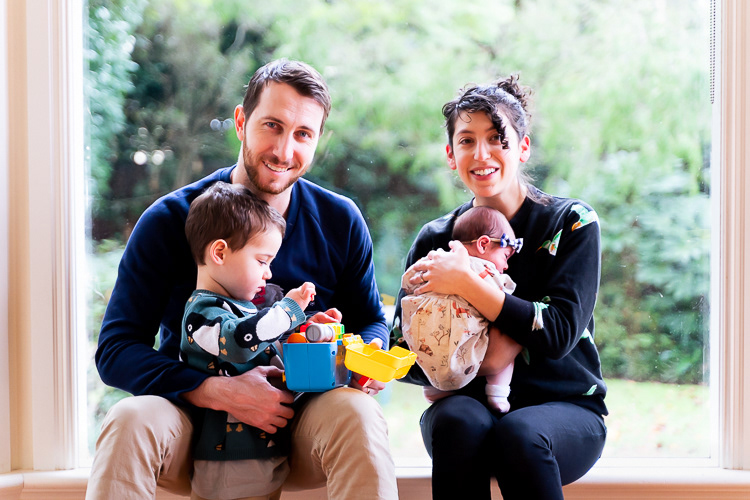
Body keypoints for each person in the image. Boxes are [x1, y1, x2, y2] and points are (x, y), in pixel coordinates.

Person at [87, 59, 398, 500]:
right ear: (240, 121)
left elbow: (371, 321)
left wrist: (361, 357)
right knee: (128, 419)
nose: (284, 151)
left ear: (317, 140)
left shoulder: (341, 220)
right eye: (272, 125)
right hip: (192, 425)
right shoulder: (169, 220)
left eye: (303, 134)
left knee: (359, 413)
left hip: (303, 420)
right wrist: (214, 391)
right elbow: (116, 351)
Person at [392, 75, 607, 500]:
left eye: (496, 138)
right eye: (467, 141)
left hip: (566, 410)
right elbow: (403, 351)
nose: (481, 153)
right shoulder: (435, 240)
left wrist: (466, 284)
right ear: (451, 155)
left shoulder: (572, 222)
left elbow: (558, 334)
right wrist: (480, 363)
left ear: (522, 148)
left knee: (520, 434)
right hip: (465, 409)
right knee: (457, 421)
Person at [181, 181, 317, 500]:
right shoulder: (203, 313)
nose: (268, 274)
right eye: (261, 261)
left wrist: (307, 331)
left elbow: (266, 345)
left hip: (260, 448)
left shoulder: (243, 309)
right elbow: (240, 342)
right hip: (229, 460)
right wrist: (289, 309)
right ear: (219, 253)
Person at [399, 206, 522, 412]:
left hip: (424, 340)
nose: (506, 266)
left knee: (433, 343)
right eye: (505, 256)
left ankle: (433, 387)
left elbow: (408, 281)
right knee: (511, 330)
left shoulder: (437, 260)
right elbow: (503, 301)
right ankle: (498, 392)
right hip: (464, 345)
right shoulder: (487, 271)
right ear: (483, 244)